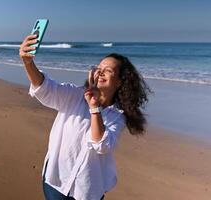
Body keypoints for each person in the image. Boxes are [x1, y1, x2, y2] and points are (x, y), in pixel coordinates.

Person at [19, 34, 151, 200]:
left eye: (108, 70)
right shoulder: (75, 95)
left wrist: (94, 106)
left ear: (119, 82)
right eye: (99, 68)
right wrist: (28, 62)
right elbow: (45, 88)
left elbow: (101, 145)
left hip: (88, 190)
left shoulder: (117, 116)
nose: (101, 72)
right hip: (56, 181)